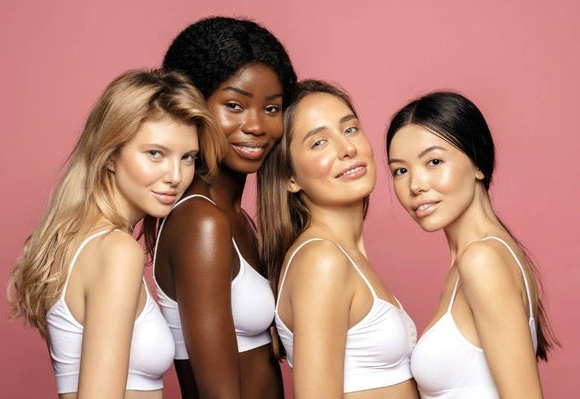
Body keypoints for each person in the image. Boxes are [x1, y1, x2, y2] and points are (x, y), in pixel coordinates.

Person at [7, 69, 225, 399]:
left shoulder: (77, 241)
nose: (175, 176)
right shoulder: (117, 251)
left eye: (188, 158)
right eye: (156, 154)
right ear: (110, 155)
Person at [153, 16, 297, 399]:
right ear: (193, 107)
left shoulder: (238, 218)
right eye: (235, 105)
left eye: (272, 108)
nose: (256, 126)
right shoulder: (201, 221)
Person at [386, 91, 558, 398]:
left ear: (478, 163)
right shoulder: (482, 255)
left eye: (434, 161)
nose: (415, 185)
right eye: (401, 170)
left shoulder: (483, 260)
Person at [258, 80, 419, 399]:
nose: (347, 148)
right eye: (318, 142)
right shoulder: (321, 261)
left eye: (350, 129)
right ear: (290, 178)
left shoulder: (342, 255)